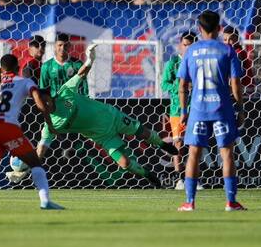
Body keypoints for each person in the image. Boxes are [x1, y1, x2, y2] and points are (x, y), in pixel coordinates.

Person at [37, 44, 178, 187]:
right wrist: (33, 164)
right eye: (41, 102)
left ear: (50, 96)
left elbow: (80, 74)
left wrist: (90, 60)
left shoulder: (64, 93)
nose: (44, 103)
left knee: (143, 133)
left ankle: (162, 144)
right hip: (102, 136)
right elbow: (43, 145)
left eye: (45, 99)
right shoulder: (50, 124)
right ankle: (147, 175)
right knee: (124, 163)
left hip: (112, 117)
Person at [0, 55, 63, 210]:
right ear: (17, 68)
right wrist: (50, 125)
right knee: (35, 163)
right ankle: (45, 201)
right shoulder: (25, 82)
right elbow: (40, 104)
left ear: (1, 69)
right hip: (7, 126)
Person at [177, 11, 246, 212]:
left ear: (199, 29)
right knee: (227, 154)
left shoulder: (191, 51)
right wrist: (240, 108)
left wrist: (183, 110)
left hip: (198, 109)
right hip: (221, 109)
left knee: (193, 154)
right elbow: (235, 83)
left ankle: (189, 202)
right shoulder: (227, 50)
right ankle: (231, 202)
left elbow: (183, 85)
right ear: (219, 28)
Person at [36, 32, 87, 158]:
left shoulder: (77, 64)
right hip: (54, 107)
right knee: (49, 135)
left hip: (72, 104)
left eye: (65, 45)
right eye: (59, 45)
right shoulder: (47, 66)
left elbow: (84, 88)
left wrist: (84, 101)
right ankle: (38, 161)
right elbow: (43, 89)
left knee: (74, 132)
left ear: (69, 46)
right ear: (54, 46)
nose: (62, 48)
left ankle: (71, 152)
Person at [161, 31, 196, 190]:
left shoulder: (198, 63)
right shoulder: (173, 63)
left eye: (191, 45)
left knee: (195, 144)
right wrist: (181, 86)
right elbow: (164, 84)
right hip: (177, 109)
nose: (188, 48)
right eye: (185, 45)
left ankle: (194, 179)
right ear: (180, 45)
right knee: (178, 144)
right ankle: (179, 179)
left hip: (196, 108)